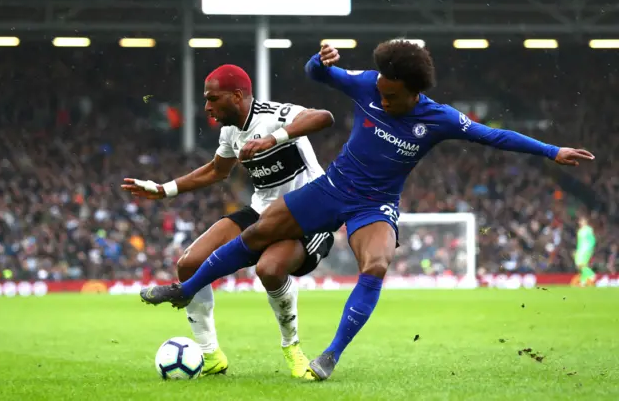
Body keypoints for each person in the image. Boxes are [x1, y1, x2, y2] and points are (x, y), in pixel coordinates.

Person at [139, 40, 595, 380]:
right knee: (256, 236)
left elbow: (494, 136)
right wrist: (321, 61)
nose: (382, 94)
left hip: (376, 205)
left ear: (414, 93)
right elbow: (317, 77)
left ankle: (329, 356)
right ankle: (186, 289)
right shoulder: (368, 85)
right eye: (380, 86)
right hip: (333, 186)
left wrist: (552, 151)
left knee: (375, 264)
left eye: (392, 93)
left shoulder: (439, 119)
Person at [125, 64, 335, 379]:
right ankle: (211, 356)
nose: (207, 107)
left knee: (269, 269)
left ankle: (292, 348)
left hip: (308, 216)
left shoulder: (274, 115)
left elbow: (324, 117)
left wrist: (273, 140)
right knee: (189, 264)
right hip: (262, 211)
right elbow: (216, 170)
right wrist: (164, 189)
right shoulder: (230, 131)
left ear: (237, 95)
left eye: (212, 98)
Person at [573, 217, 596, 286]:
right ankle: (583, 282)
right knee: (580, 266)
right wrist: (577, 250)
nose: (580, 222)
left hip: (586, 250)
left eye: (582, 221)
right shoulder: (580, 231)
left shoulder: (588, 229)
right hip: (580, 250)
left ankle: (592, 275)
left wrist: (590, 248)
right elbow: (579, 242)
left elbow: (592, 240)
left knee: (581, 265)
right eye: (580, 221)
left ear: (586, 221)